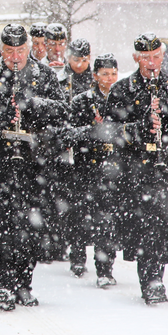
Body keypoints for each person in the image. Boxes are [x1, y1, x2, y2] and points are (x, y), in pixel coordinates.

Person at [0, 24, 67, 311]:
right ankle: (3, 283)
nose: (15, 56)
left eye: (20, 51)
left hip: (34, 162)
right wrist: (0, 118)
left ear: (29, 49)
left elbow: (62, 111)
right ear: (1, 50)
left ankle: (24, 283)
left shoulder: (43, 74)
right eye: (9, 51)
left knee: (30, 225)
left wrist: (34, 105)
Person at [102, 33, 168, 305]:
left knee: (166, 225)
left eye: (156, 57)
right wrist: (138, 130)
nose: (151, 62)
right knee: (145, 226)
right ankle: (151, 281)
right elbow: (108, 132)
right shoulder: (123, 89)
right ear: (136, 58)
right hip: (137, 168)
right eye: (145, 58)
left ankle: (157, 276)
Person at [64, 53, 120, 286]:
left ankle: (105, 269)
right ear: (95, 75)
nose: (109, 78)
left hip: (113, 169)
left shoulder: (122, 99)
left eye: (113, 74)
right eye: (105, 74)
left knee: (107, 221)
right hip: (86, 168)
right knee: (81, 216)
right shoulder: (81, 101)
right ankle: (77, 257)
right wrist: (93, 132)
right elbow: (68, 134)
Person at [61, 38, 93, 102]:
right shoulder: (60, 80)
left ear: (89, 58)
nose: (80, 64)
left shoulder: (96, 80)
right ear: (69, 58)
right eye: (76, 60)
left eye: (84, 60)